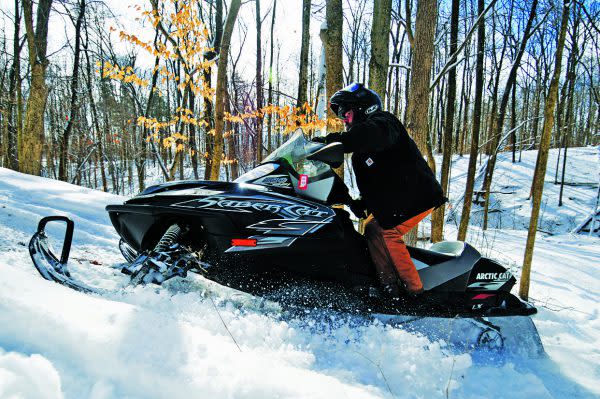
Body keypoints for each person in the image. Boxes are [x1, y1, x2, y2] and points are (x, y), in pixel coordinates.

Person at [314, 83, 446, 296]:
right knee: (373, 228)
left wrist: (329, 141)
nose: (345, 122)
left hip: (418, 196)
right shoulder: (362, 153)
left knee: (386, 232)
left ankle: (414, 295)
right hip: (399, 198)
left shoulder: (385, 123)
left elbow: (367, 135)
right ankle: (389, 288)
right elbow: (377, 184)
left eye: (346, 115)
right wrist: (356, 203)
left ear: (362, 109)